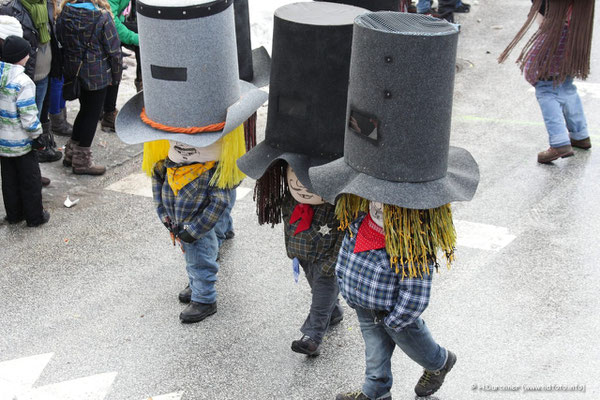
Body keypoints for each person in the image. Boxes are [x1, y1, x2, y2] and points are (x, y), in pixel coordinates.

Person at [308, 12, 479, 399]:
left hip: (393, 314)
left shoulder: (410, 244)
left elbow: (417, 290)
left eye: (392, 207)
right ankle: (375, 392)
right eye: (376, 201)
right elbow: (349, 253)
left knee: (412, 342)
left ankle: (438, 362)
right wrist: (352, 295)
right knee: (373, 355)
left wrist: (397, 320)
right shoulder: (359, 221)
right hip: (365, 306)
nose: (379, 209)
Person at [236, 1, 365, 356]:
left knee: (324, 277)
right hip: (304, 244)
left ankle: (313, 333)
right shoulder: (290, 193)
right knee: (313, 274)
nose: (298, 183)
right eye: (292, 173)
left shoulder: (335, 201)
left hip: (328, 242)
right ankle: (332, 312)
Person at [499, 0, 594, 163]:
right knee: (565, 85)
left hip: (557, 30)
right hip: (576, 30)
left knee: (545, 87)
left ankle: (559, 143)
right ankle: (580, 135)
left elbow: (544, 13)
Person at [56, 0, 122, 175]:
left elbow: (60, 39)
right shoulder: (102, 17)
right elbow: (114, 51)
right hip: (96, 74)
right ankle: (82, 161)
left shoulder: (65, 12)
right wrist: (116, 76)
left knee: (84, 110)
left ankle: (71, 153)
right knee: (92, 114)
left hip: (73, 71)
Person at [0, 0, 63, 163]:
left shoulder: (47, 4)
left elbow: (50, 39)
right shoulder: (10, 9)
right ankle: (27, 167)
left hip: (45, 72)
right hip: (24, 77)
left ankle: (36, 158)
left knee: (39, 116)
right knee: (25, 123)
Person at [0, 35, 50, 227]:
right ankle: (35, 217)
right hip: (22, 143)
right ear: (22, 56)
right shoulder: (23, 82)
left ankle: (14, 214)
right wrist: (37, 135)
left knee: (9, 180)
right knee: (30, 180)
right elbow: (29, 116)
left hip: (3, 142)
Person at [100, 0, 141, 132]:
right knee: (113, 67)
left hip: (110, 21)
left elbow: (116, 13)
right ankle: (108, 113)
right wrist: (135, 38)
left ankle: (142, 89)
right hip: (99, 27)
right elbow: (112, 20)